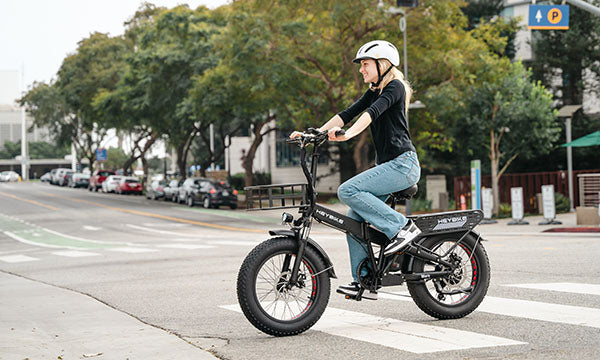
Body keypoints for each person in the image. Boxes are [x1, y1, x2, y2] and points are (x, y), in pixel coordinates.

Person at [290, 40, 421, 300]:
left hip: (403, 165)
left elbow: (371, 114)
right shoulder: (374, 90)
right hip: (388, 167)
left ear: (382, 64)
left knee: (347, 189)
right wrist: (314, 133)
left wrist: (348, 135)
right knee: (354, 221)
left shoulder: (394, 87)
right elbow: (347, 113)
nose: (361, 70)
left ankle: (402, 228)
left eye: (365, 64)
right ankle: (366, 280)